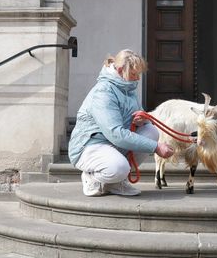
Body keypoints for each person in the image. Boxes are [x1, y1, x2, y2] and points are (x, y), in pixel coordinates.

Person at [68, 49, 175, 196]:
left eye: (139, 74)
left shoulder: (128, 88)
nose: (137, 78)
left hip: (113, 144)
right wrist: (156, 147)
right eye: (133, 74)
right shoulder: (103, 92)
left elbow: (140, 115)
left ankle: (115, 183)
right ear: (120, 70)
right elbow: (115, 133)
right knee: (119, 168)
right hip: (90, 146)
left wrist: (143, 120)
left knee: (151, 131)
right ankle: (92, 177)